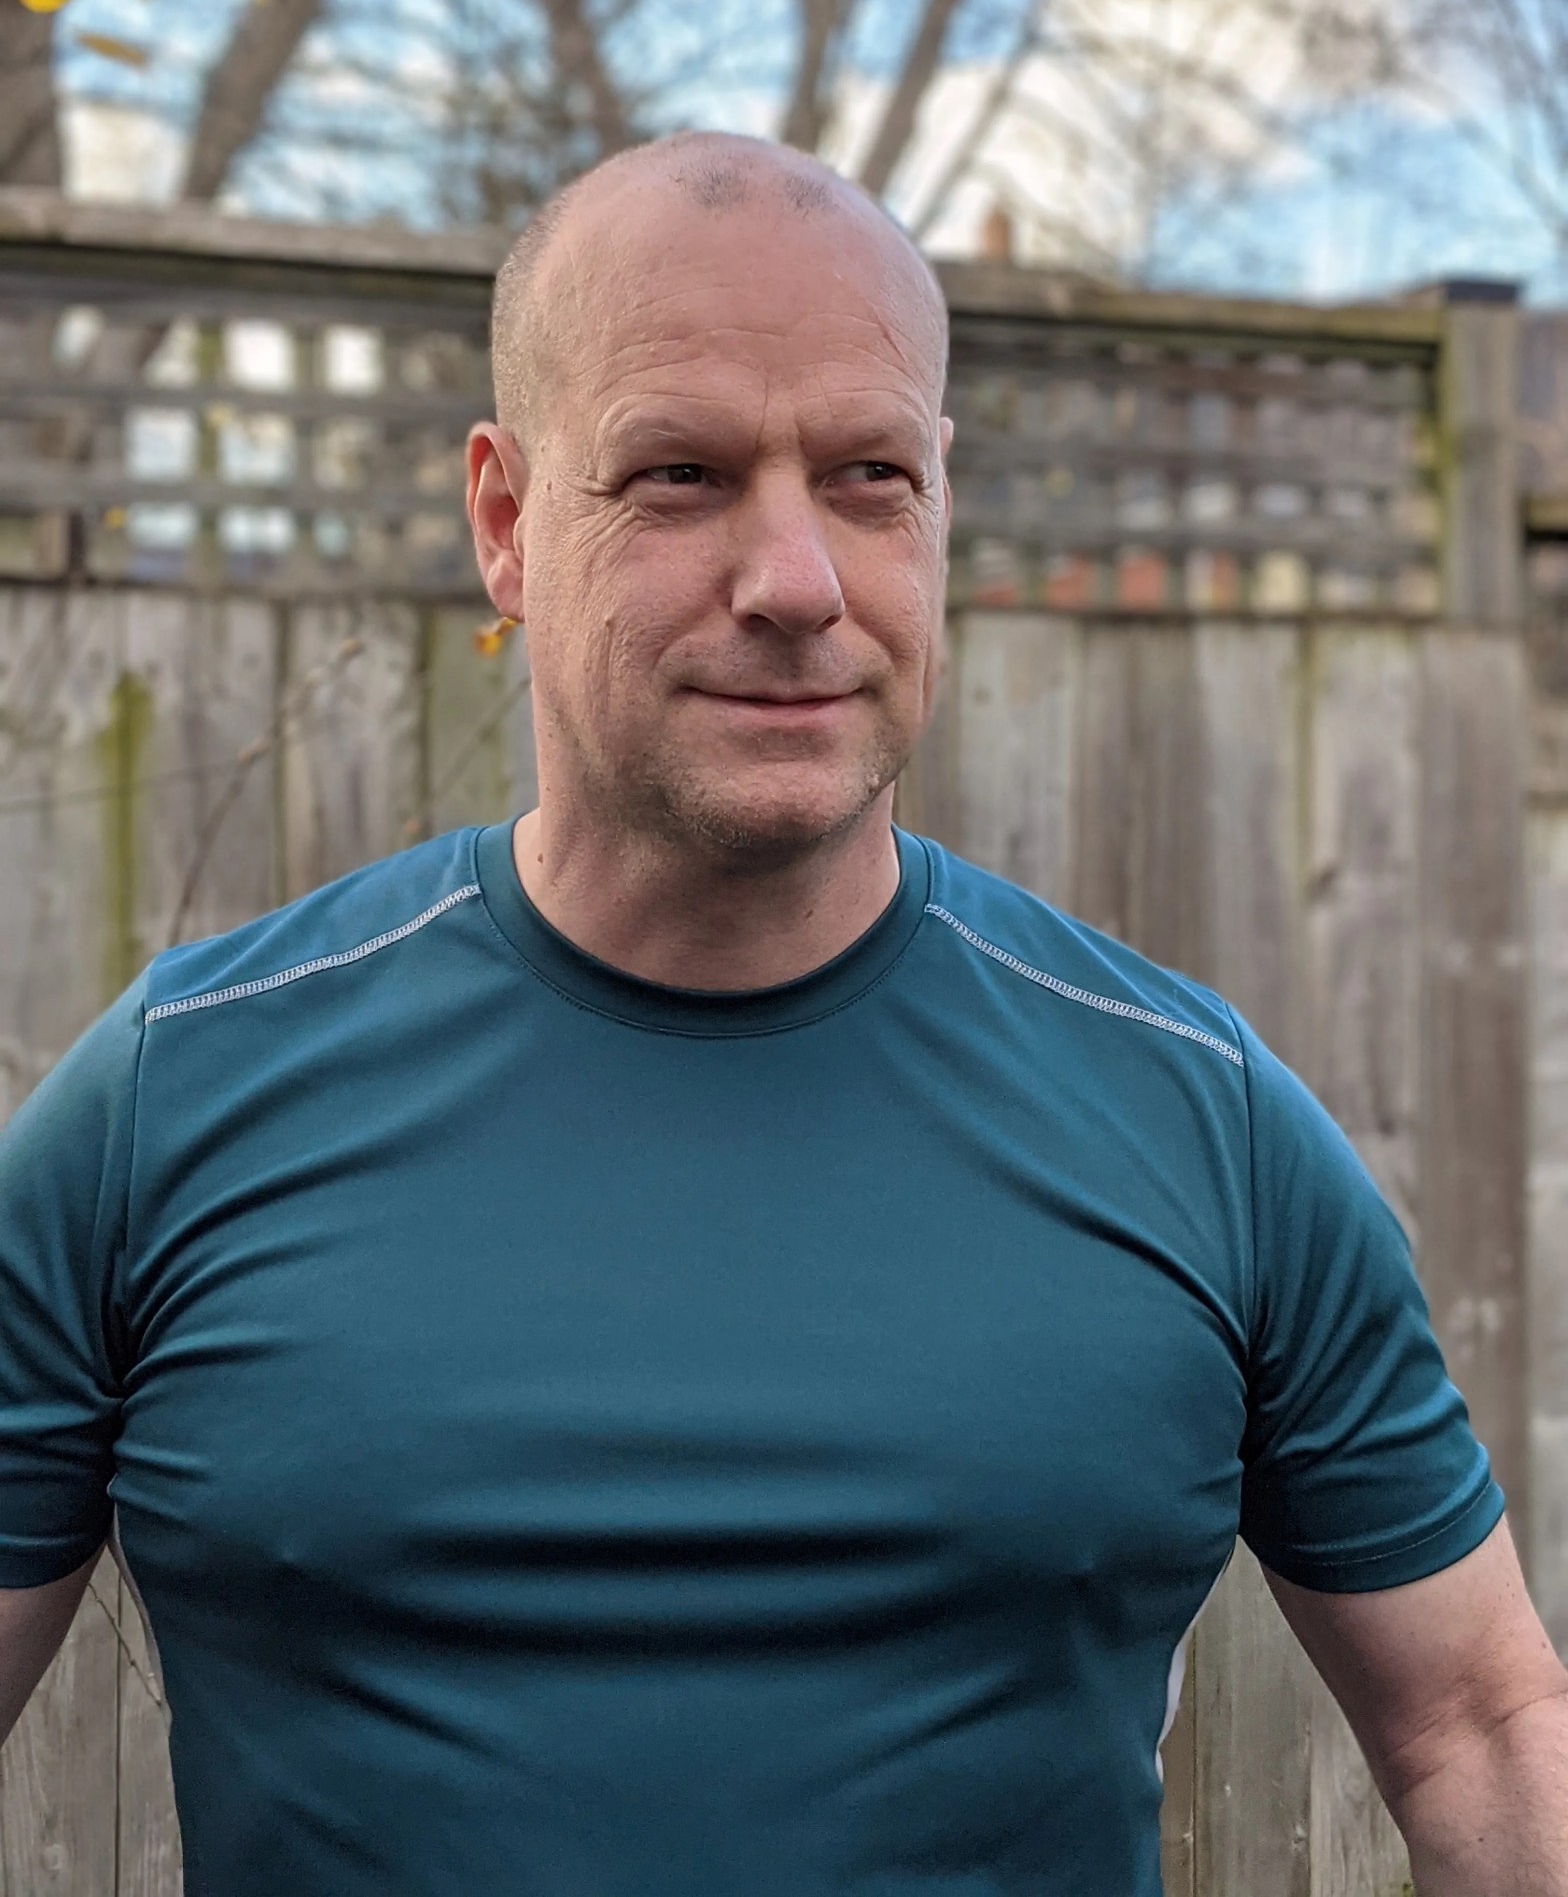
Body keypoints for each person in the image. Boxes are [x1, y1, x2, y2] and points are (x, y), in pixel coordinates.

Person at [1, 131, 1564, 1897]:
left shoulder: (1202, 1124)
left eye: (869, 476)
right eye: (680, 474)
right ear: (507, 521)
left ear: (942, 501)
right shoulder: (178, 1101)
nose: (798, 579)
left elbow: (1481, 1727)